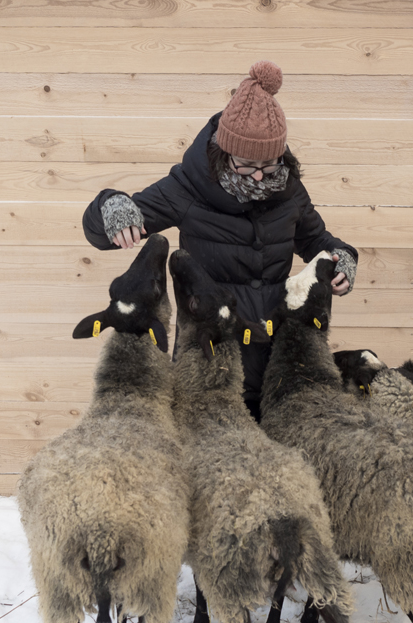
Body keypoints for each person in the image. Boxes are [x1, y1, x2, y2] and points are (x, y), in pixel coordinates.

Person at [82, 60, 357, 421]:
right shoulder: (187, 188)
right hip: (209, 357)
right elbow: (101, 233)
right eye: (246, 164)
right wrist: (111, 206)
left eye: (270, 164)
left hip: (277, 358)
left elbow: (318, 241)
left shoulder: (289, 192)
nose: (259, 175)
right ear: (223, 152)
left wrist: (344, 259)